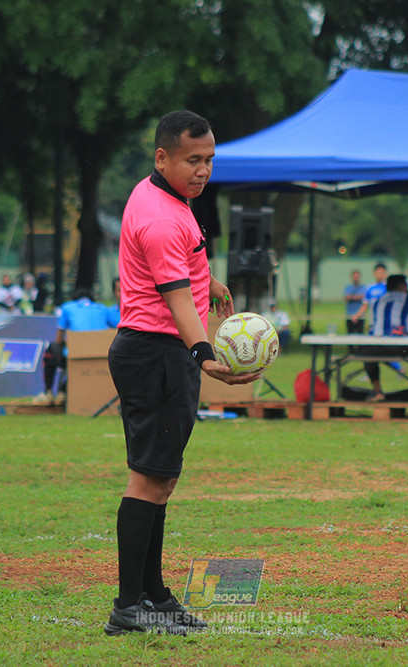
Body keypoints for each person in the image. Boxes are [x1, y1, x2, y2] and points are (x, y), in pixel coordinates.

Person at [104, 110, 257, 636]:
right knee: (149, 478)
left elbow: (177, 269)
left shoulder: (160, 195)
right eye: (193, 160)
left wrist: (206, 277)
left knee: (160, 479)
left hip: (153, 352)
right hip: (159, 354)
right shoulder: (164, 218)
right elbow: (174, 300)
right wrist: (204, 355)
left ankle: (153, 595)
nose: (203, 170)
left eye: (210, 159)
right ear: (162, 157)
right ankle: (129, 606)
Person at [35, 287, 111, 405]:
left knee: (51, 350)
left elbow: (58, 339)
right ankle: (62, 392)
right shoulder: (103, 309)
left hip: (76, 352)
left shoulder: (67, 307)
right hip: (101, 353)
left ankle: (49, 392)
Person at [362, 274, 408, 401]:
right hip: (403, 348)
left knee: (367, 354)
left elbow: (372, 327)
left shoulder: (377, 301)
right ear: (401, 286)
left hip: (378, 347)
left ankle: (377, 391)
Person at [349, 262, 388, 333]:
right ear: (374, 274)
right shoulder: (370, 288)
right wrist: (356, 315)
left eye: (382, 273)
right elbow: (365, 305)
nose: (380, 275)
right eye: (379, 273)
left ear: (386, 274)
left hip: (386, 323)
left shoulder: (388, 288)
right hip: (373, 322)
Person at [344, 270, 366, 334]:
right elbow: (347, 297)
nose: (356, 278)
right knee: (350, 335)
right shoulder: (348, 288)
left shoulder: (363, 287)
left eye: (357, 276)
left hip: (360, 316)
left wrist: (352, 297)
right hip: (349, 315)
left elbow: (363, 297)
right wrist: (357, 297)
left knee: (360, 335)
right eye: (354, 276)